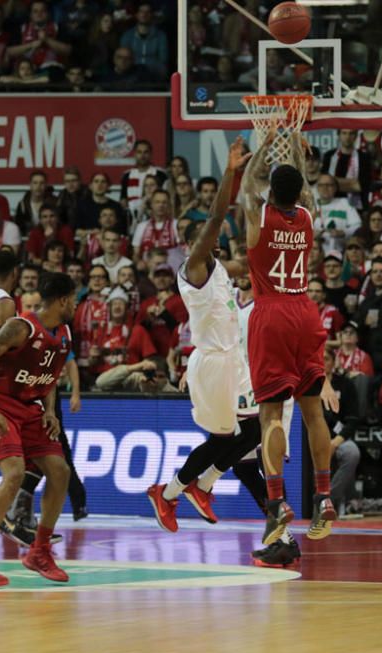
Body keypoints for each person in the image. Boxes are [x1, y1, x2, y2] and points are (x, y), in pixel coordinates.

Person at [146, 138, 261, 531]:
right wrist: (232, 173)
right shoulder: (193, 267)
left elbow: (243, 254)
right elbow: (215, 220)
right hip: (212, 361)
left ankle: (204, 485)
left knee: (256, 430)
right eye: (202, 238)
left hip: (232, 360)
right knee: (224, 440)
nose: (207, 241)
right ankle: (167, 492)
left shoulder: (219, 269)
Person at [241, 130, 340, 545]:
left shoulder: (257, 215)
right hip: (304, 309)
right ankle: (323, 496)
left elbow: (247, 184)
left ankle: (277, 501)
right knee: (313, 413)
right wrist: (297, 151)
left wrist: (263, 146)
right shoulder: (307, 217)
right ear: (298, 192)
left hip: (272, 311)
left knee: (272, 416)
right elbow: (302, 189)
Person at [0, 272, 76, 586]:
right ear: (63, 300)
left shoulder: (63, 333)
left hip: (30, 408)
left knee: (60, 470)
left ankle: (39, 551)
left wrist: (50, 410)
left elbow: (48, 374)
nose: (76, 306)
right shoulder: (19, 327)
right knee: (14, 474)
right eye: (74, 299)